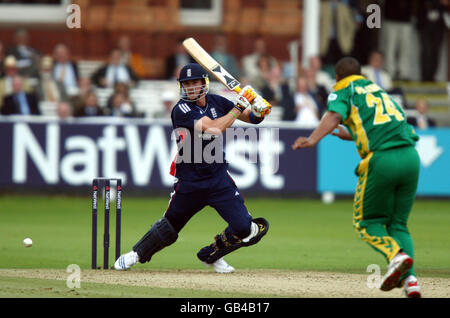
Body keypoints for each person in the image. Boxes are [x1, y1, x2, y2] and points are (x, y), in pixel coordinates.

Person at [114, 63, 271, 273]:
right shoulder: (182, 110)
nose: (190, 87)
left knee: (245, 228)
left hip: (218, 179)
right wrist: (239, 106)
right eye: (186, 84)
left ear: (204, 83)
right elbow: (214, 129)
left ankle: (211, 254)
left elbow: (249, 118)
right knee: (169, 228)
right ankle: (135, 254)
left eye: (194, 82)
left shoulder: (216, 101)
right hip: (190, 182)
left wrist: (259, 111)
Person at [292, 57, 422, 298]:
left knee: (367, 223)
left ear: (339, 77)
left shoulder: (344, 87)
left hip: (383, 160)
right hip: (411, 157)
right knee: (398, 224)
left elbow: (333, 116)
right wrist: (351, 134)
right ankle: (411, 280)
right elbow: (383, 124)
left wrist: (312, 139)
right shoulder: (377, 89)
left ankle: (397, 256)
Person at [417, 0, 449, 82]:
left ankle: (431, 76)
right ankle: (425, 77)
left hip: (439, 27)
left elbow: (445, 4)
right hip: (425, 25)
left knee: (436, 51)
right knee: (427, 51)